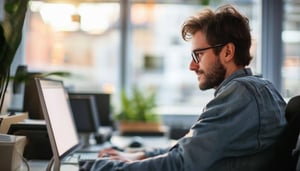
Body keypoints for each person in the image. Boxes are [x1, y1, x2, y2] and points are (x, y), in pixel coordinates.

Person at [91, 4, 287, 171]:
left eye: (198, 55)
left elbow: (180, 164)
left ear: (227, 52)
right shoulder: (256, 90)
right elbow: (188, 149)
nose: (192, 66)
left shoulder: (241, 95)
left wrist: (98, 166)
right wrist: (140, 155)